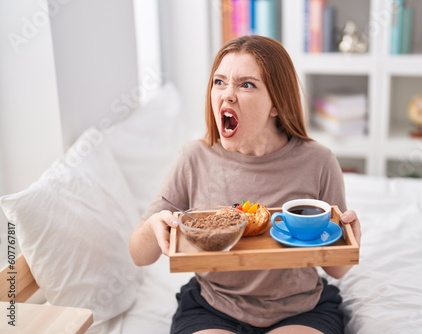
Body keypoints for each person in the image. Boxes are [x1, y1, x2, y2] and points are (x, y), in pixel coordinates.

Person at [129, 35, 362, 334]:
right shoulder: (193, 158)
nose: (227, 95)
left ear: (276, 103)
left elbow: (336, 268)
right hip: (212, 307)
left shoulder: (319, 161)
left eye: (246, 84)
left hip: (301, 309)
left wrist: (352, 238)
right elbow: (138, 255)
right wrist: (153, 227)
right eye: (219, 82)